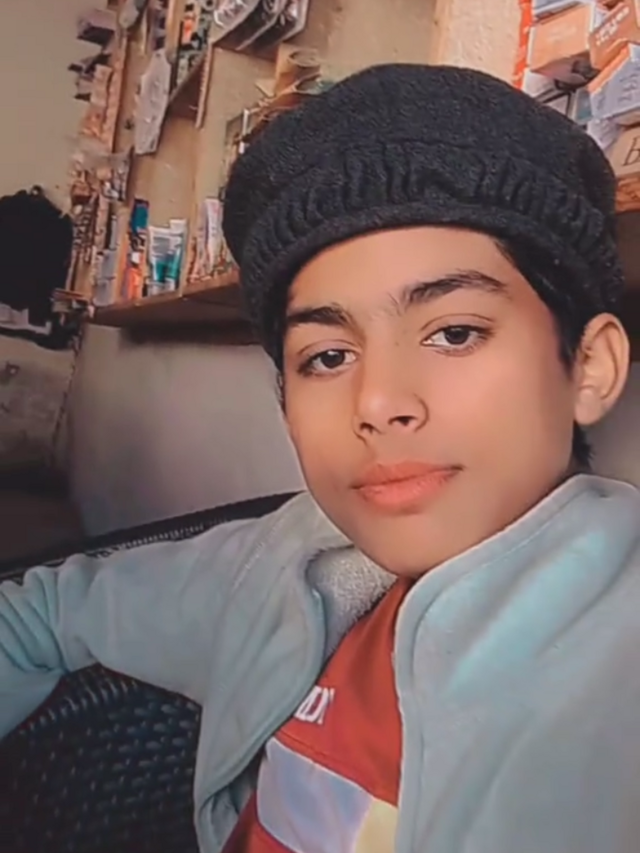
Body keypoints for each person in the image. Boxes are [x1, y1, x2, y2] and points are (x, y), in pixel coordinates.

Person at [1, 63, 639, 853]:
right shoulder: (281, 565)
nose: (377, 402)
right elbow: (38, 613)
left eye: (454, 332)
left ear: (589, 367)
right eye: (328, 356)